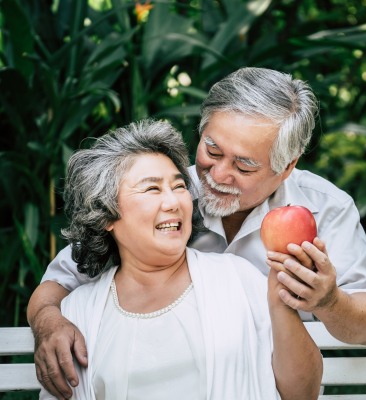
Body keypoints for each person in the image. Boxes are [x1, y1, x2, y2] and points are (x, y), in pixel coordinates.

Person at [28, 68, 366, 399]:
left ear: (287, 166)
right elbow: (61, 281)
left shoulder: (326, 209)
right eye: (211, 149)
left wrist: (328, 301)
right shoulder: (171, 194)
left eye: (244, 165)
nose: (217, 174)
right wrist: (48, 321)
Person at [39, 120, 323, 400]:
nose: (174, 202)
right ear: (106, 215)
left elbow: (303, 394)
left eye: (178, 187)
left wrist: (280, 303)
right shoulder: (78, 312)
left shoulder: (239, 278)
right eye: (152, 189)